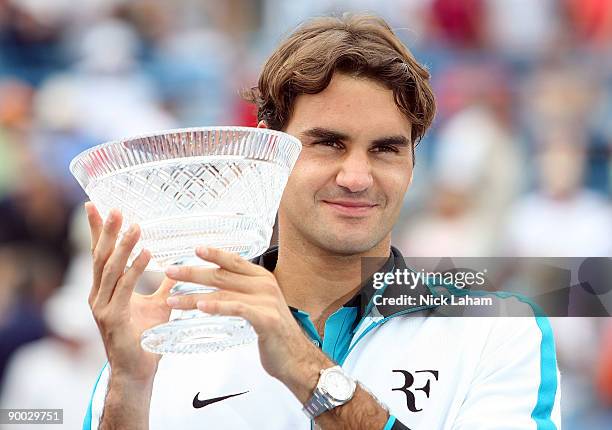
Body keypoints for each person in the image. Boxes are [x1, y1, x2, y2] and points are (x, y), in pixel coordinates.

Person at [83, 13, 561, 430]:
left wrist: (306, 370)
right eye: (329, 143)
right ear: (268, 154)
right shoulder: (160, 340)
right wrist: (129, 384)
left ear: (414, 161)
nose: (356, 177)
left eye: (386, 149)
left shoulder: (497, 330)